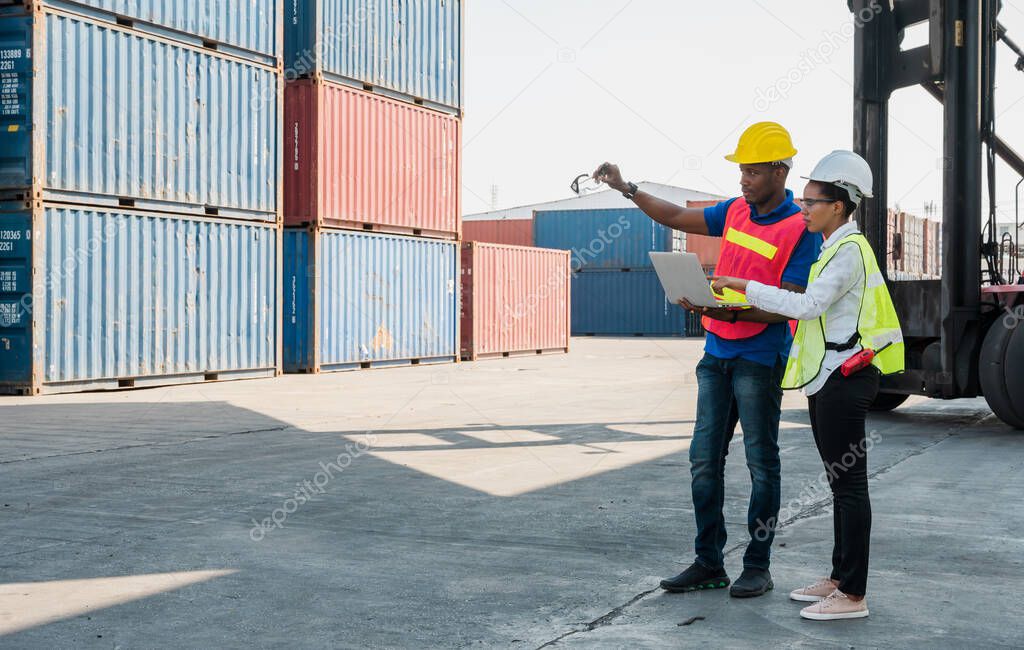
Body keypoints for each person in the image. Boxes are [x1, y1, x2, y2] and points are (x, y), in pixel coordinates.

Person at [594, 122, 822, 598]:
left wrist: (727, 307)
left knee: (762, 464)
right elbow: (677, 216)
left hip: (760, 358)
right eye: (741, 171)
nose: (743, 180)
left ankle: (757, 566)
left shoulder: (802, 229)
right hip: (715, 353)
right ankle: (708, 563)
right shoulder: (735, 211)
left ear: (780, 171)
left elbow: (792, 302)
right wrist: (626, 187)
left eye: (753, 172)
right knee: (703, 461)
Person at [711, 150, 905, 620]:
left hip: (846, 377)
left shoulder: (849, 252)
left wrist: (742, 285)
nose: (803, 209)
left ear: (838, 205)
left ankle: (853, 595)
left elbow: (807, 306)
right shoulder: (832, 247)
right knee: (841, 486)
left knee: (850, 487)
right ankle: (839, 578)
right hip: (829, 377)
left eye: (812, 201)